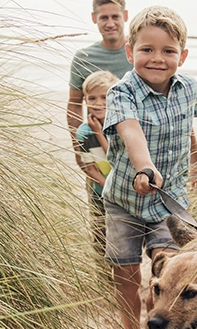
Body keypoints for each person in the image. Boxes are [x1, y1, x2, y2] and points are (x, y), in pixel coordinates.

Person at [101, 5, 197, 329]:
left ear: (183, 55)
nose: (157, 59)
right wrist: (144, 168)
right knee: (126, 272)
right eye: (147, 50)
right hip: (125, 200)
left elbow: (186, 128)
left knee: (171, 266)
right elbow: (130, 131)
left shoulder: (188, 88)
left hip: (170, 200)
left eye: (168, 51)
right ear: (130, 51)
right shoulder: (121, 92)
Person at [67, 0, 132, 173]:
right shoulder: (83, 58)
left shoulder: (138, 54)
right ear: (94, 18)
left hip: (132, 145)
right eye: (104, 17)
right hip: (95, 143)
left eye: (115, 16)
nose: (110, 23)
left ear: (125, 16)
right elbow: (74, 104)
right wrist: (78, 147)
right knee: (98, 194)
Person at [76, 70, 119, 255]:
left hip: (125, 191)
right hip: (100, 192)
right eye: (92, 98)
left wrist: (99, 133)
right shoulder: (84, 132)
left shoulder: (121, 124)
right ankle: (104, 280)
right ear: (85, 100)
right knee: (101, 237)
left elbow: (115, 157)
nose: (99, 103)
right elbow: (89, 167)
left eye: (105, 97)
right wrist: (106, 188)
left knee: (124, 237)